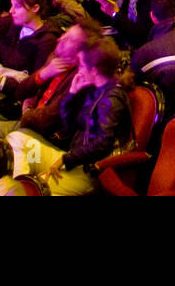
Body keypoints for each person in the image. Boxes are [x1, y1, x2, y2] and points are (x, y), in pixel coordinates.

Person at [8, 37, 132, 195]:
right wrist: (72, 94)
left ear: (94, 70)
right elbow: (68, 126)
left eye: (81, 65)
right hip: (70, 160)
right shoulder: (95, 89)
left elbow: (102, 144)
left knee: (35, 190)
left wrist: (65, 160)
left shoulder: (113, 98)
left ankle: (27, 187)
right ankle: (24, 183)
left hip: (87, 173)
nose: (78, 70)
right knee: (18, 139)